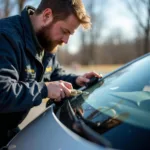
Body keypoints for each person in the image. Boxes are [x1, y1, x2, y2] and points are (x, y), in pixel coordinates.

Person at [0, 0, 101, 148]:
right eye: (65, 31)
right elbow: (2, 92)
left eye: (70, 34)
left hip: (8, 131)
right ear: (47, 15)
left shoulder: (45, 41)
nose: (66, 41)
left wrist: (77, 80)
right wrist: (45, 89)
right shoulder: (5, 37)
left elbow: (53, 74)